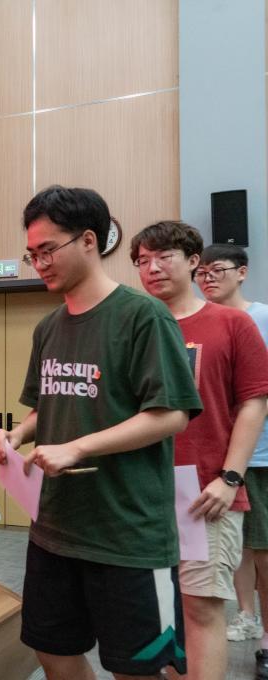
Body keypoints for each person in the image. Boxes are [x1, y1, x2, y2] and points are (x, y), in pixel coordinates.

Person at [0, 186, 202, 680]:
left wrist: (79, 447)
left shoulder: (143, 316)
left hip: (129, 535)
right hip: (56, 530)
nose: (39, 263)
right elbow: (47, 406)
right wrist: (17, 436)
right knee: (52, 653)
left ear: (89, 240)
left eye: (48, 249)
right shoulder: (48, 327)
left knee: (138, 668)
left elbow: (171, 414)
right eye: (32, 253)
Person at [132, 222, 268, 680]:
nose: (152, 268)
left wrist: (230, 478)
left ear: (193, 262)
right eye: (142, 261)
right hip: (140, 490)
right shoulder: (134, 324)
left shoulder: (232, 323)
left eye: (163, 257)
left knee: (201, 606)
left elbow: (254, 402)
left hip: (203, 489)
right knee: (158, 608)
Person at [195, 244, 268, 674]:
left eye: (217, 270)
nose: (207, 278)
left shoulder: (260, 318)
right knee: (236, 548)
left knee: (263, 550)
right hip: (215, 461)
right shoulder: (195, 322)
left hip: (259, 457)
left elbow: (256, 395)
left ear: (242, 272)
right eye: (201, 271)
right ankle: (245, 615)